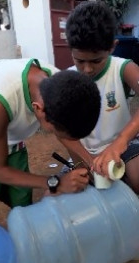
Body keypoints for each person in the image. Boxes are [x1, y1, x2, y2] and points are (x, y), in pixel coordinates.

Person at [0, 58, 101, 221]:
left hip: (10, 129)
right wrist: (55, 182)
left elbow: (66, 133)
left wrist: (91, 162)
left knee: (21, 197)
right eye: (55, 131)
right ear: (39, 109)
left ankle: (27, 231)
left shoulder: (60, 87)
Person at [62, 1, 139, 193]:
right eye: (80, 61)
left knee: (137, 179)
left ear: (112, 47)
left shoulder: (123, 68)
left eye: (96, 60)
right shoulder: (65, 80)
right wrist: (85, 162)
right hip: (83, 153)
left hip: (123, 147)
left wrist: (120, 142)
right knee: (70, 193)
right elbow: (60, 129)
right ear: (69, 48)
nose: (87, 69)